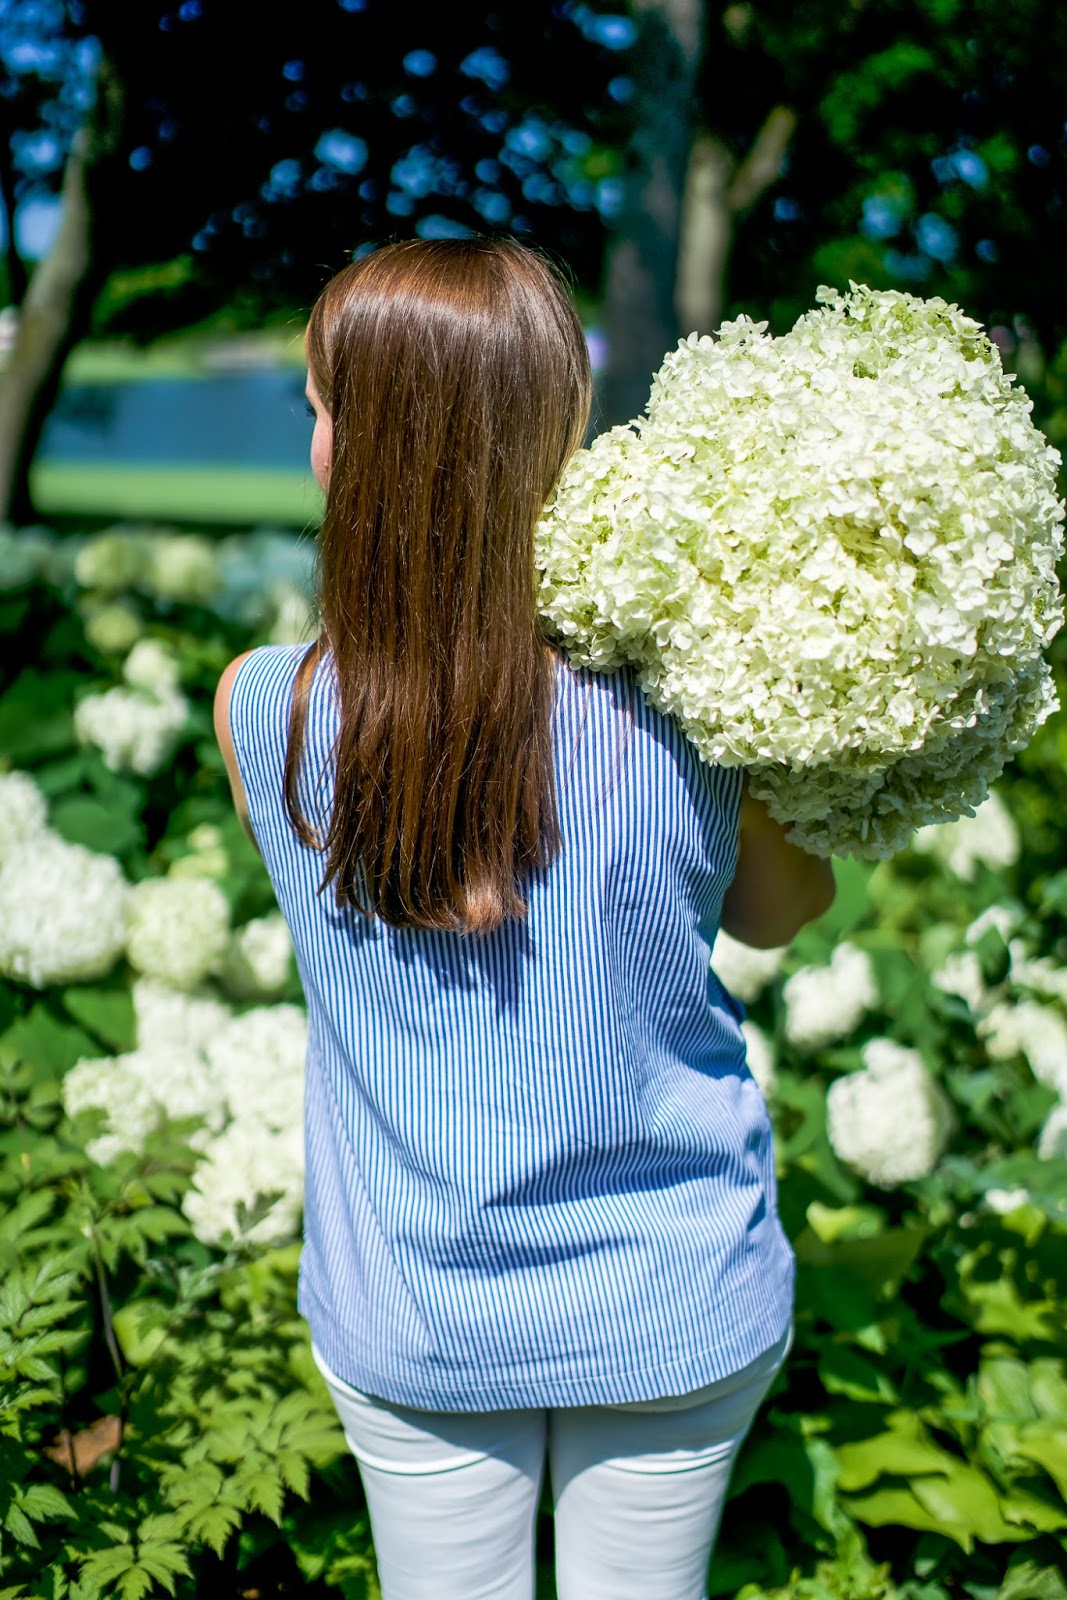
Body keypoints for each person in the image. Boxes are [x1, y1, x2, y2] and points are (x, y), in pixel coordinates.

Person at [214, 238, 835, 1600]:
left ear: (362, 455)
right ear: (560, 437)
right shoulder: (695, 704)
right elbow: (784, 917)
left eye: (318, 411)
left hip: (420, 1307)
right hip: (676, 1294)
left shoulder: (270, 708)